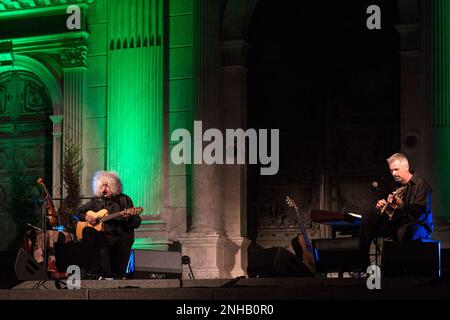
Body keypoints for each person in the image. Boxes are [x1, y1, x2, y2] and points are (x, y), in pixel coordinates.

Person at [359, 153, 434, 264]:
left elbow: (420, 214)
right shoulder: (395, 185)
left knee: (404, 231)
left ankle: (401, 269)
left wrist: (401, 204)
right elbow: (393, 211)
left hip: (420, 225)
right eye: (391, 170)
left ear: (406, 167)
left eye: (396, 169)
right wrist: (384, 205)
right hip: (399, 222)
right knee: (368, 216)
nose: (393, 173)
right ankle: (362, 261)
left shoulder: (421, 184)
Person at [74, 171, 142, 278]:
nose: (104, 189)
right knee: (87, 231)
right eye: (101, 186)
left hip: (120, 237)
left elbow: (137, 222)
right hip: (103, 237)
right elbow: (76, 212)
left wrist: (127, 218)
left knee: (121, 249)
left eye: (107, 186)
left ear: (114, 186)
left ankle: (117, 276)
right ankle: (93, 269)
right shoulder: (96, 202)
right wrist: (85, 217)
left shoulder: (124, 199)